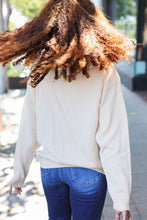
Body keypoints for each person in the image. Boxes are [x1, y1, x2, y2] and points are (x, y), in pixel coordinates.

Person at [0, 0, 134, 219]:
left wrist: (19, 174)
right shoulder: (104, 71)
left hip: (50, 170)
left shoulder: (40, 69)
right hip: (88, 172)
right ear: (93, 24)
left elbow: (28, 127)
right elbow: (113, 138)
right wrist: (121, 198)